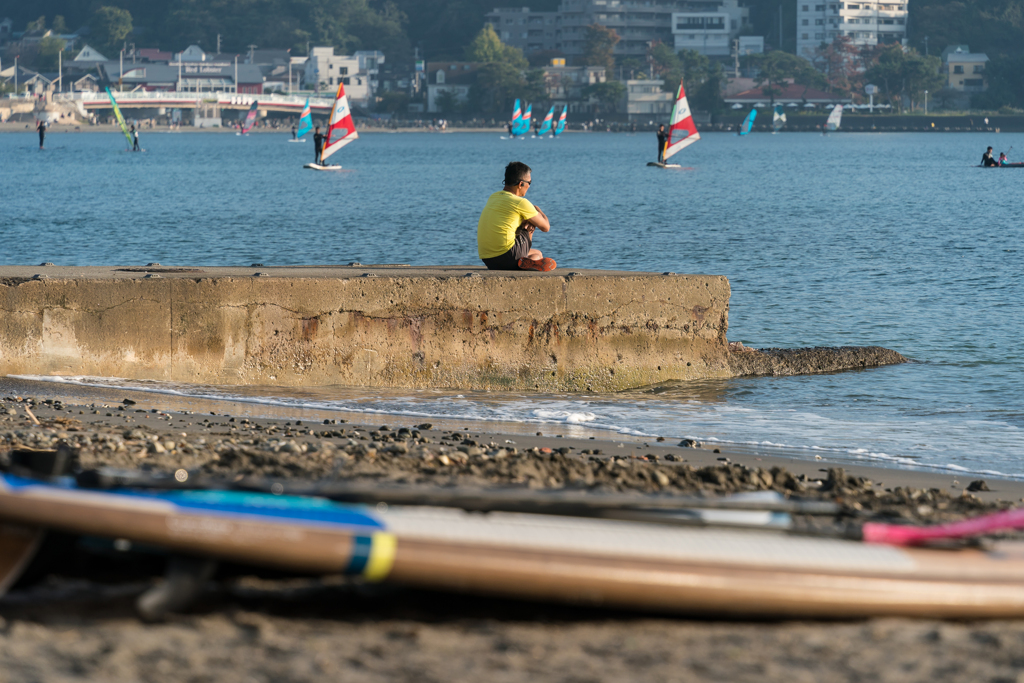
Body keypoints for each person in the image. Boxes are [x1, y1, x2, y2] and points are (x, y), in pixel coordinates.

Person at [477, 161, 555, 272]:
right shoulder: (520, 203)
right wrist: (537, 209)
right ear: (521, 184)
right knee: (532, 221)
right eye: (530, 182)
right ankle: (526, 261)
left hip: (489, 260)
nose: (529, 186)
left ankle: (530, 260)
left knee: (538, 253)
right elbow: (546, 227)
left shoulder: (493, 197)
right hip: (509, 256)